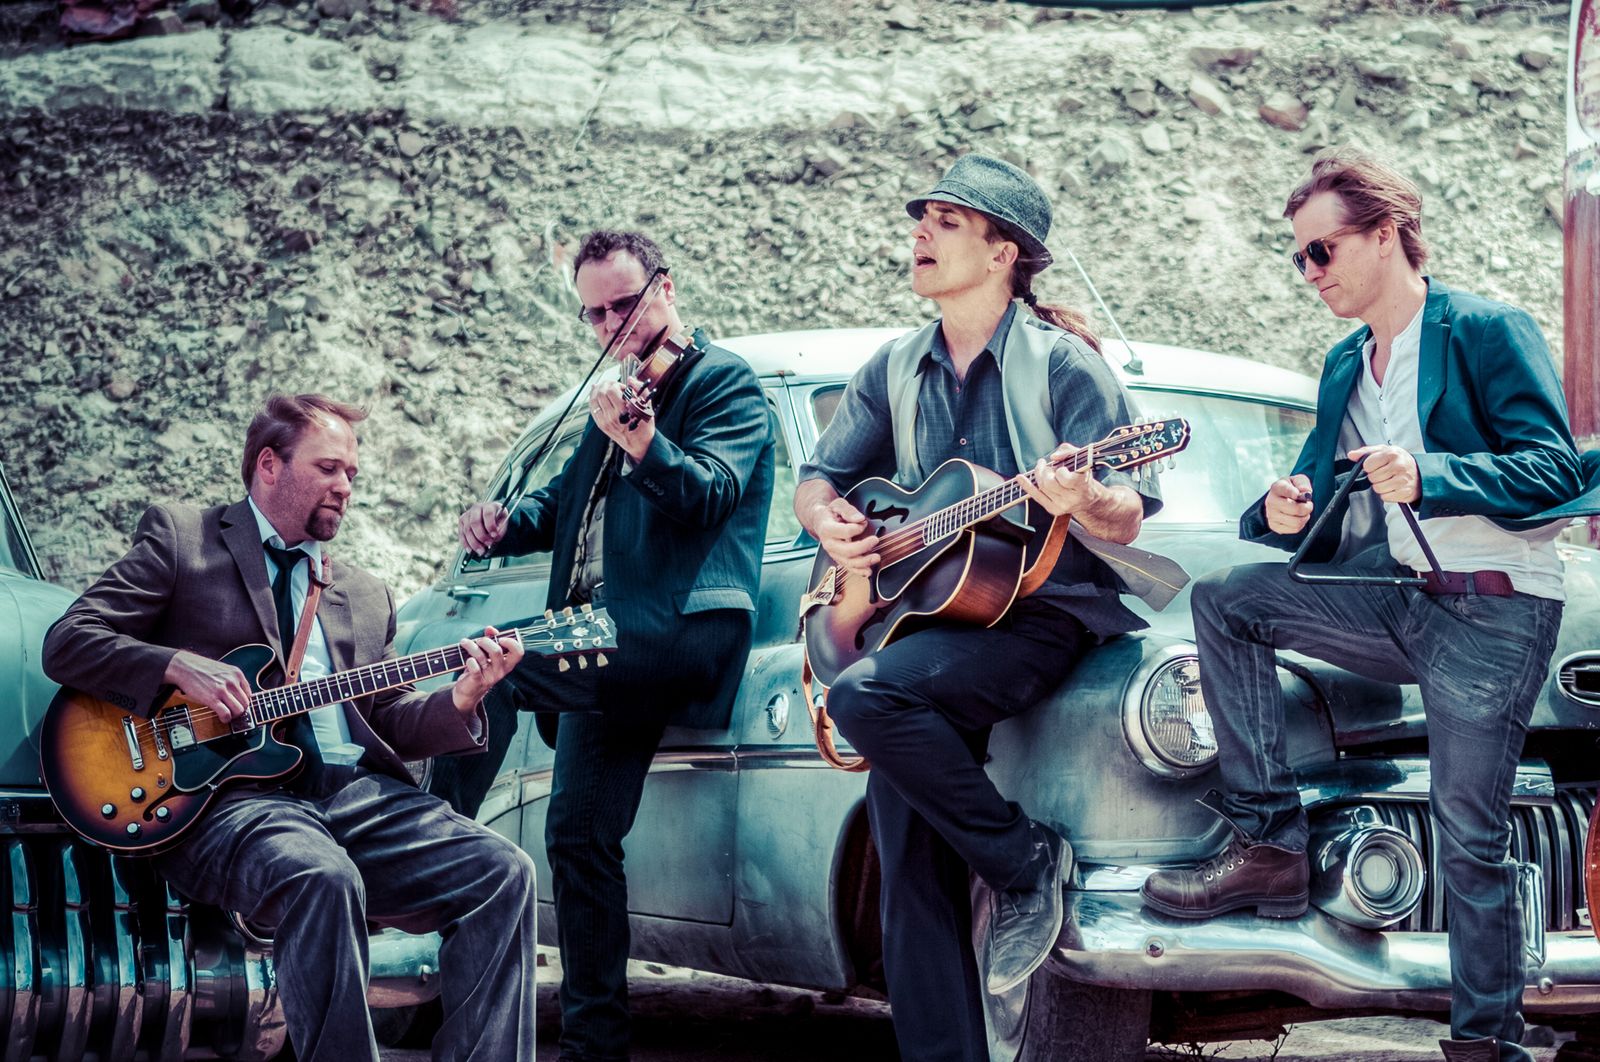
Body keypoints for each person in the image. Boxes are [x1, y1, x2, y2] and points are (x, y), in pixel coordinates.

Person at [1139, 148, 1592, 1062]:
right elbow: (1318, 491)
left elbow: (1556, 467)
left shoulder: (1486, 328)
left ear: (1386, 235)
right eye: (1299, 256)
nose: (1310, 272)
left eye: (1323, 250)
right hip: (1398, 599)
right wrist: (1277, 509)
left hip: (1495, 611)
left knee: (1470, 836)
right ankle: (1270, 845)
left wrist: (1430, 476)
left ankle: (1487, 1047)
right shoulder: (1347, 361)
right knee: (1227, 600)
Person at [793, 153, 1165, 1062]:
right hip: (933, 625)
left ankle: (1024, 860)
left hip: (1044, 612)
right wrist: (828, 523)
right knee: (907, 871)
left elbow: (1131, 507)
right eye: (922, 217)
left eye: (947, 221)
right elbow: (818, 477)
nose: (920, 232)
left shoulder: (1065, 365)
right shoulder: (894, 365)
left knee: (867, 694)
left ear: (1004, 253)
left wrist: (1086, 498)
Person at [41, 394, 537, 1062]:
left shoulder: (364, 593)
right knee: (321, 875)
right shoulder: (184, 540)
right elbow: (69, 641)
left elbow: (388, 719)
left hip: (353, 798)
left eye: (352, 473)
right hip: (227, 803)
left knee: (502, 871)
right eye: (328, 468)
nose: (345, 486)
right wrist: (176, 666)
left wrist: (462, 697)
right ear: (268, 465)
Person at [430, 229, 775, 1062]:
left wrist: (644, 442)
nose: (612, 325)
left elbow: (712, 494)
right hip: (597, 643)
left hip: (676, 628)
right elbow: (564, 505)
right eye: (594, 314)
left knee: (498, 663)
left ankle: (424, 843)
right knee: (578, 838)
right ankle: (595, 1047)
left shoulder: (722, 382)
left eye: (625, 304)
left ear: (667, 286)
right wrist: (505, 522)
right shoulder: (619, 393)